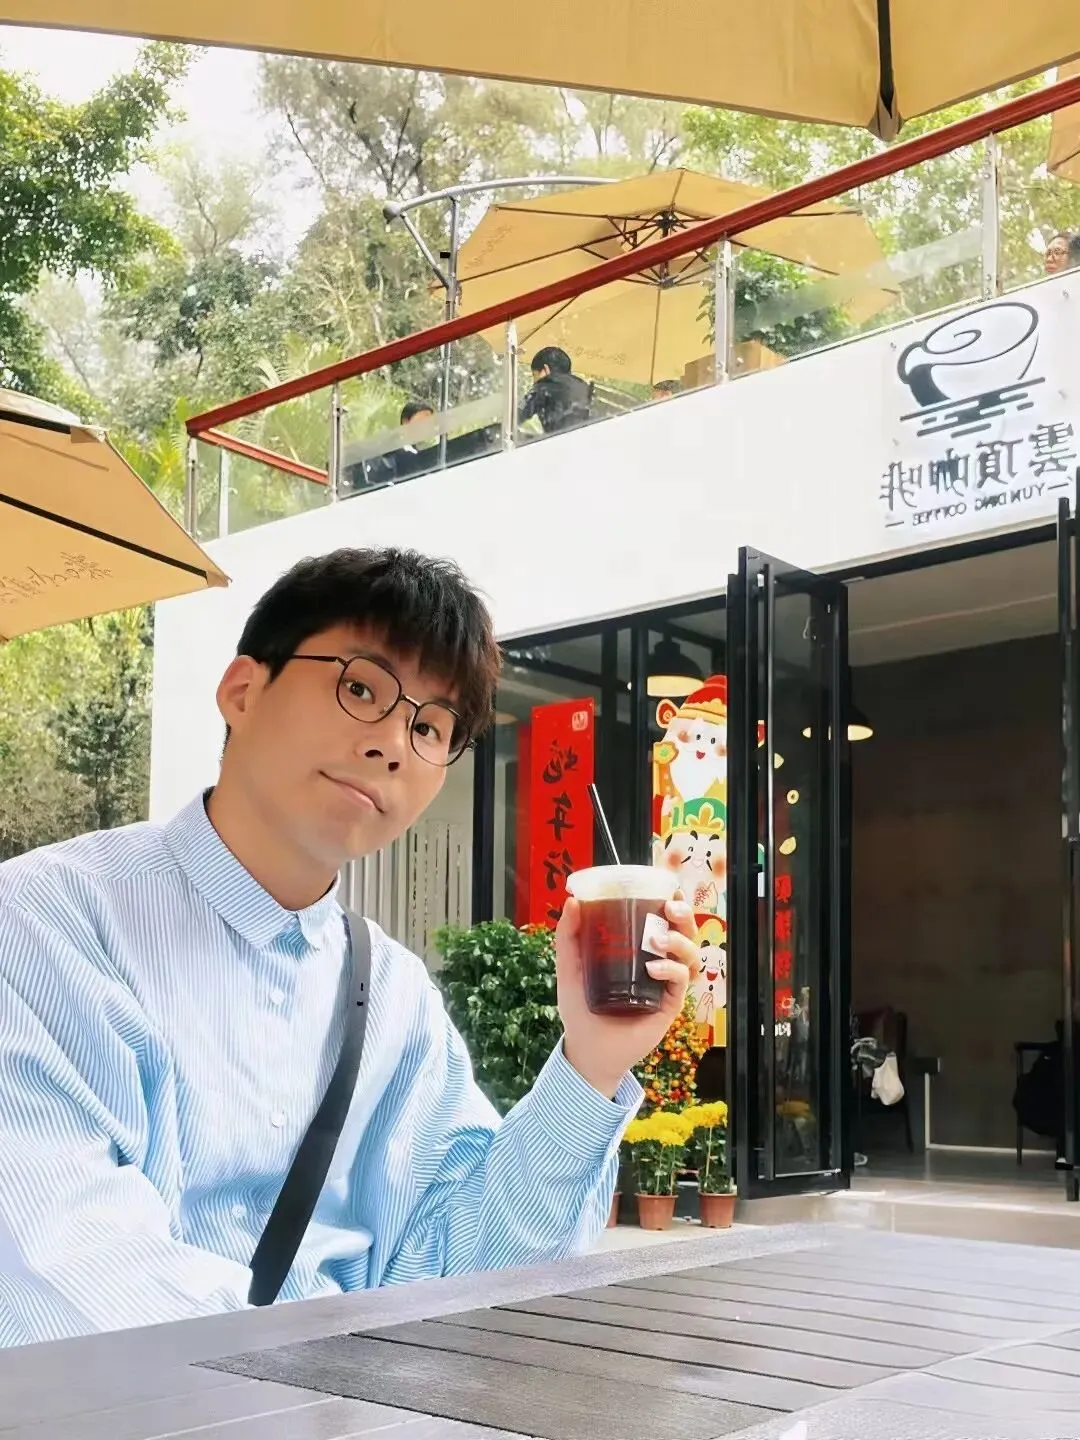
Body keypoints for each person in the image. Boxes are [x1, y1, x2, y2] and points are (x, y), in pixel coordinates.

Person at [0, 547, 699, 1346]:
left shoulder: (394, 996)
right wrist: (328, 1388)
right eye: (361, 687)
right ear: (242, 691)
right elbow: (69, 1273)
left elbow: (471, 1272)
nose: (394, 744)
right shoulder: (45, 928)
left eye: (430, 726)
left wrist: (593, 1062)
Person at [519, 346, 592, 434]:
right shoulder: (585, 388)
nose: (534, 382)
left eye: (535, 375)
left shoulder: (544, 386)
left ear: (545, 369)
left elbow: (517, 418)